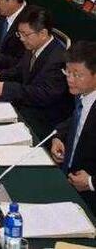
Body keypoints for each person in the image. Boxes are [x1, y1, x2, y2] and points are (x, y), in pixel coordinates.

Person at [0, 5, 72, 135]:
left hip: (42, 119)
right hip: (26, 104)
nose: (22, 39)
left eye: (26, 34)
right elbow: (20, 69)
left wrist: (7, 88)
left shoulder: (58, 59)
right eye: (20, 34)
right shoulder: (33, 45)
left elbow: (44, 94)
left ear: (43, 34)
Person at [51, 41, 96, 215]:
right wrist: (59, 137)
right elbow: (76, 118)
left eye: (77, 74)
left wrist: (91, 182)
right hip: (69, 176)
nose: (70, 79)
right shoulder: (83, 93)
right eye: (67, 72)